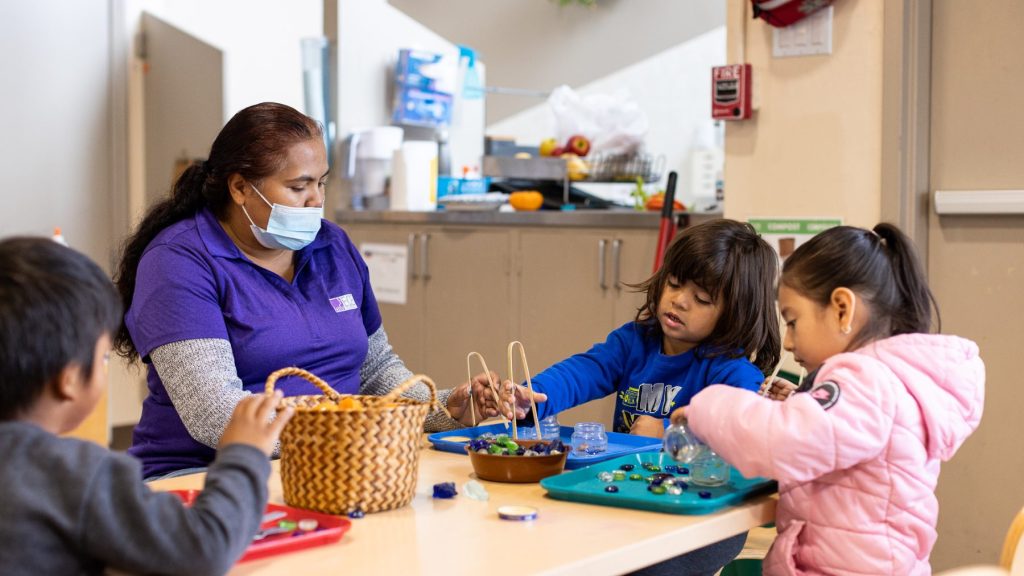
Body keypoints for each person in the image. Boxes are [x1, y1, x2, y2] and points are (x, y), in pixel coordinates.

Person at [114, 102, 496, 480]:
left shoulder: (332, 245)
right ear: (240, 187)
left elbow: (374, 370)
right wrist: (350, 433)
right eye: (299, 186)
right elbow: (217, 416)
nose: (317, 200)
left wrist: (445, 407)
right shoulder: (179, 262)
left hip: (339, 466)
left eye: (321, 182)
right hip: (204, 478)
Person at [674, 223, 985, 574]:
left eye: (792, 322)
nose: (788, 342)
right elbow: (836, 440)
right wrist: (798, 406)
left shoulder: (865, 380)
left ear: (841, 309)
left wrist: (710, 406)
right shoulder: (890, 380)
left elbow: (784, 442)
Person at [494, 218, 782, 576]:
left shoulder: (732, 371)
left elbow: (744, 435)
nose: (679, 301)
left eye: (702, 298)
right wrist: (531, 396)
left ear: (734, 313)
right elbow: (583, 371)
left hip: (702, 520)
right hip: (631, 498)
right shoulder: (635, 341)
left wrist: (669, 436)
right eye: (674, 284)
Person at [0, 237, 295, 575]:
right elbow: (203, 547)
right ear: (67, 380)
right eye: (104, 357)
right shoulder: (74, 474)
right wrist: (243, 454)